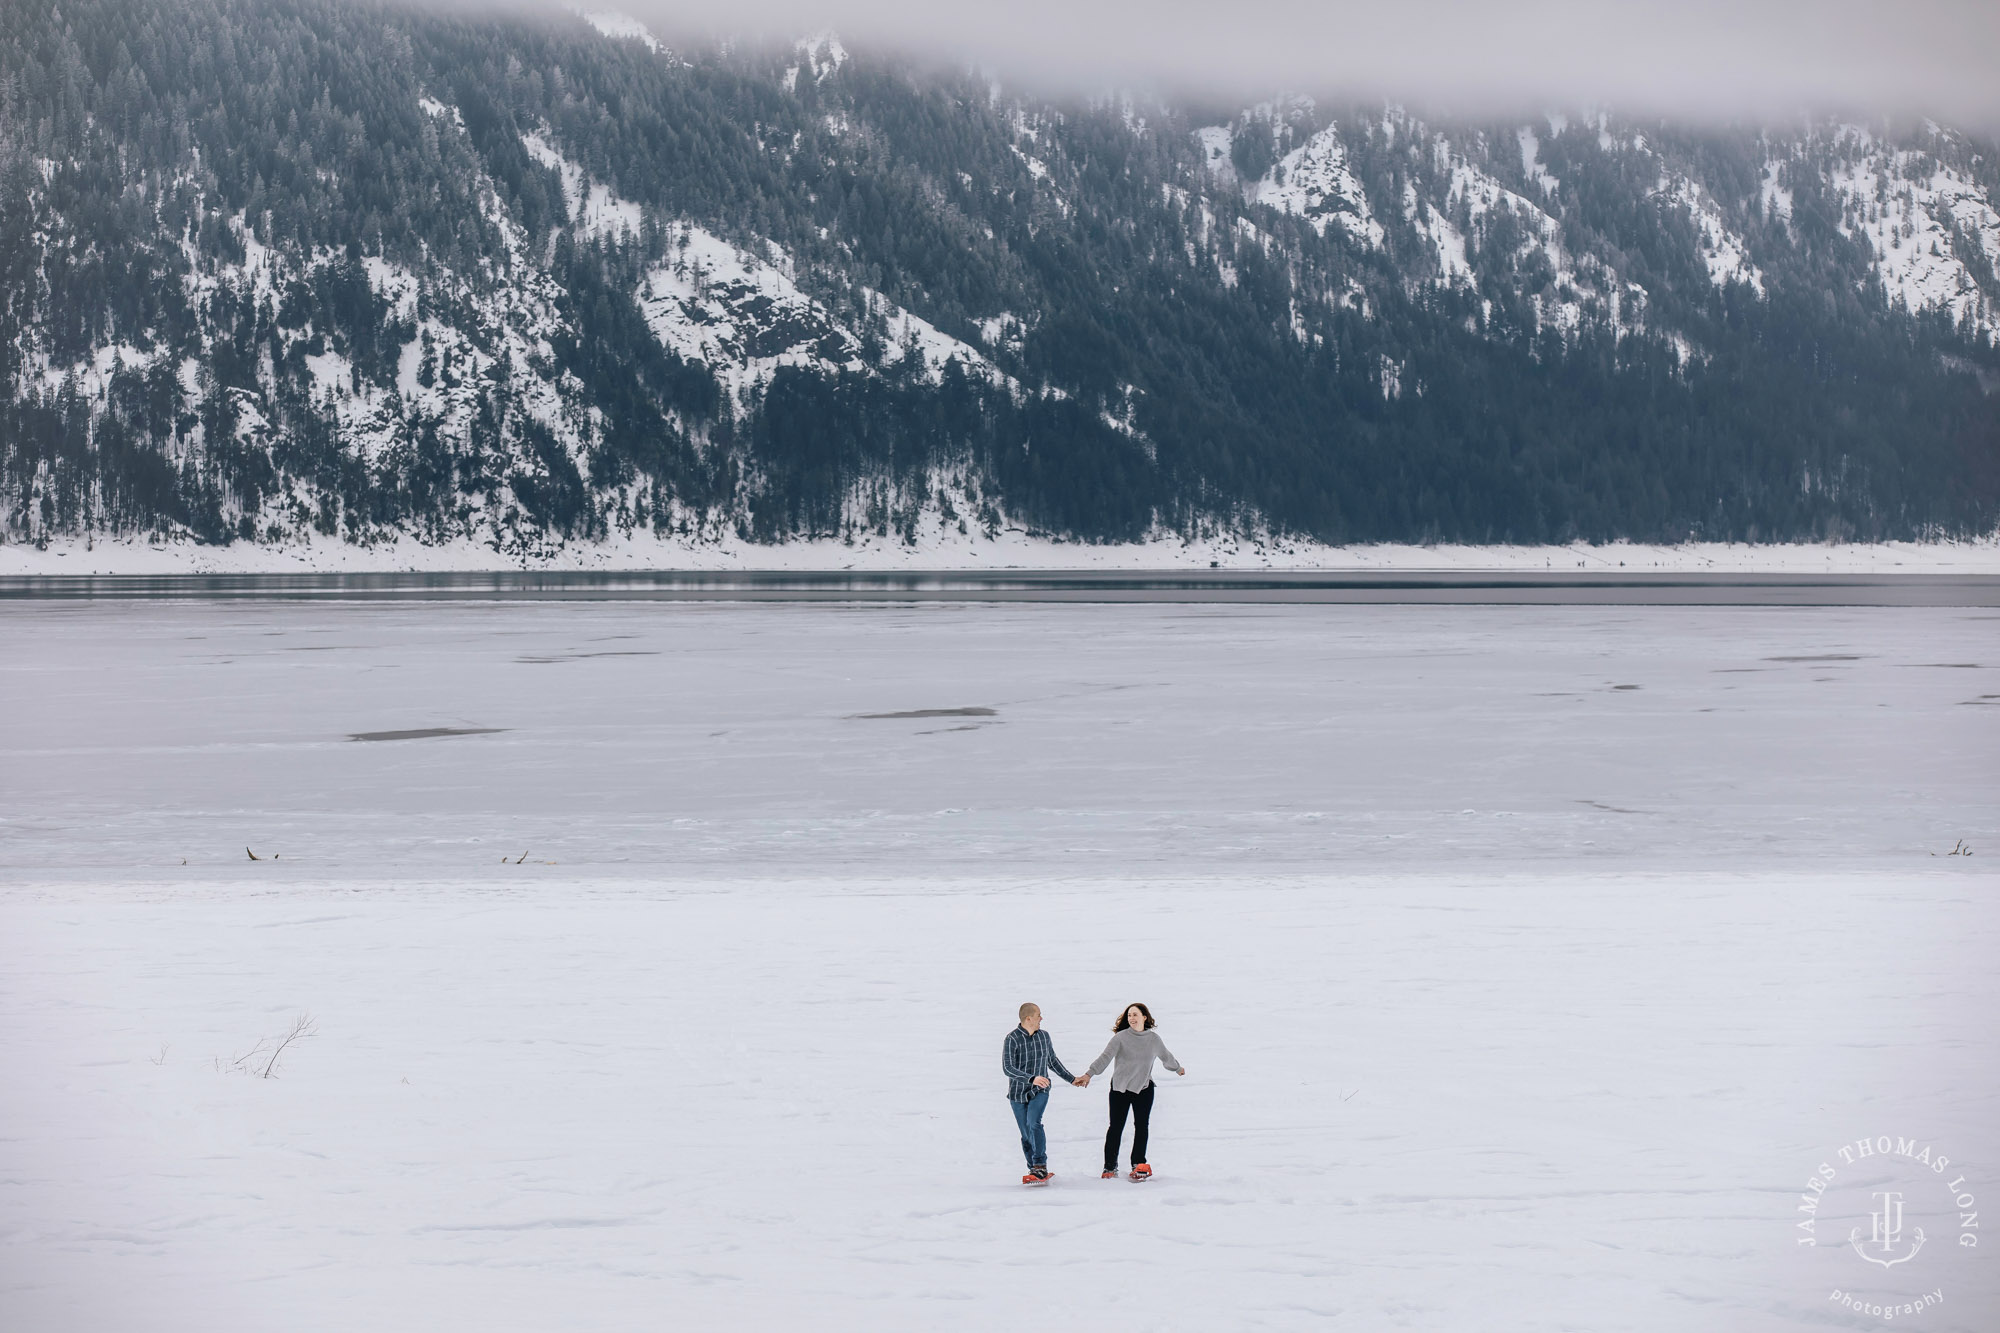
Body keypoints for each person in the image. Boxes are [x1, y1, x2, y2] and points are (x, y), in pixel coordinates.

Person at [1077, 1002, 1184, 1180]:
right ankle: (1109, 1167)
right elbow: (1105, 1058)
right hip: (1120, 1088)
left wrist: (1177, 1068)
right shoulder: (1120, 1038)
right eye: (1129, 1015)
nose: (1131, 1018)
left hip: (1144, 1088)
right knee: (1115, 1127)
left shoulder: (1153, 1040)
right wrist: (1089, 1074)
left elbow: (1166, 1056)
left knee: (1142, 1126)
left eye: (1135, 1014)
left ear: (1144, 1017)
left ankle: (1138, 1164)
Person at [1002, 1002, 1079, 1184]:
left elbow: (1052, 1061)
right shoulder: (1012, 1039)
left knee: (1034, 1122)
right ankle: (1033, 1170)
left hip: (1040, 1089)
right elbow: (1007, 1068)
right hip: (1017, 1093)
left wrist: (1072, 1079)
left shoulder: (1044, 1036)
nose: (1041, 1019)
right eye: (1038, 1015)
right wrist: (1030, 1078)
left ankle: (1040, 1165)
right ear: (1028, 1019)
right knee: (1025, 1133)